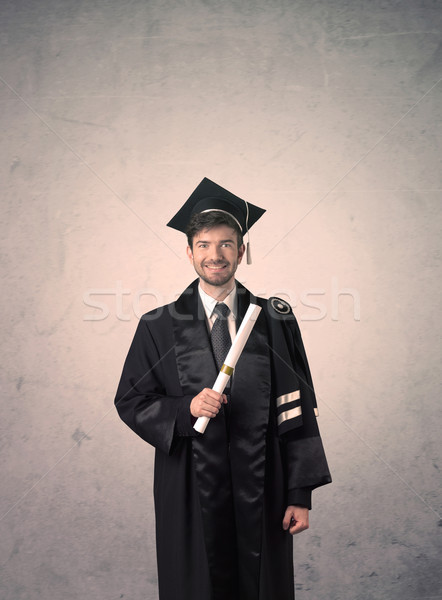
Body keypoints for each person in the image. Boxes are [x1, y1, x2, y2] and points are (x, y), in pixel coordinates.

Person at [114, 177, 331, 600]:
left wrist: (299, 493)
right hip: (190, 487)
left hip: (264, 482)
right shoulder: (157, 326)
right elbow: (132, 400)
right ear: (190, 251)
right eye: (204, 245)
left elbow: (297, 407)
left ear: (242, 251)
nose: (215, 255)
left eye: (227, 244)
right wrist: (184, 408)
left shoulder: (274, 320)